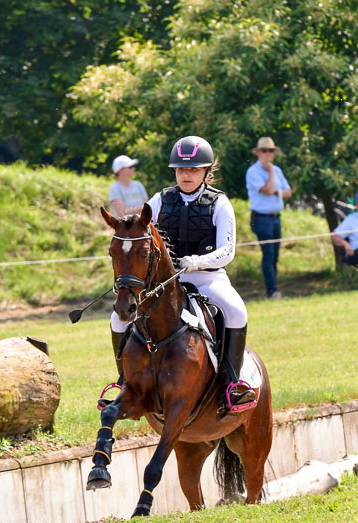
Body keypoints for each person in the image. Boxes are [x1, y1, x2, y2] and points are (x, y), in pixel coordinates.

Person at [109, 135, 255, 413]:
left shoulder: (220, 203)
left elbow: (228, 251)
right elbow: (140, 229)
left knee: (237, 312)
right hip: (167, 281)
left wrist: (198, 262)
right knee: (118, 319)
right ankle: (123, 383)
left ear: (205, 171)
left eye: (193, 169)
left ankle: (232, 385)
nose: (186, 175)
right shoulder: (160, 200)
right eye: (181, 169)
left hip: (208, 278)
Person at [246, 137, 292, 299]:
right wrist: (271, 172)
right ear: (258, 153)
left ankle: (273, 288)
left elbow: (288, 192)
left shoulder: (278, 170)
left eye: (271, 151)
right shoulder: (253, 172)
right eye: (264, 151)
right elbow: (267, 190)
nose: (268, 154)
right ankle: (272, 291)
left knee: (275, 255)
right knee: (268, 254)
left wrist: (275, 189)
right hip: (261, 218)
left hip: (275, 218)